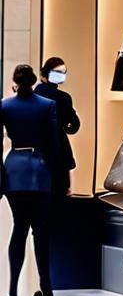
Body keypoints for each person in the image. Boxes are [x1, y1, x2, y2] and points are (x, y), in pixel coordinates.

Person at [2, 64, 61, 296]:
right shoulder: (47, 105)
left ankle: (12, 294)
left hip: (14, 168)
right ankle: (46, 292)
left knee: (19, 228)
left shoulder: (4, 106)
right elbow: (53, 144)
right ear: (34, 80)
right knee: (41, 232)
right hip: (39, 170)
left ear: (15, 81)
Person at [35, 56, 80, 195]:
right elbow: (73, 127)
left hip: (35, 155)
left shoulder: (33, 95)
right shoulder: (63, 98)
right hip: (59, 154)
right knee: (59, 198)